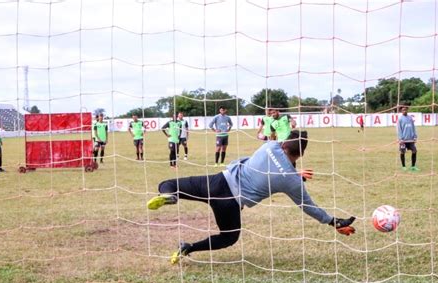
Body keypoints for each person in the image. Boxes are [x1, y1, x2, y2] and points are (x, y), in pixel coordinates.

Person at [147, 130, 356, 265]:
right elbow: (308, 206)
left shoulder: (269, 146)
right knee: (228, 238)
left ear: (284, 144)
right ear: (299, 156)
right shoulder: (292, 181)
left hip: (217, 182)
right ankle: (188, 248)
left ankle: (169, 196)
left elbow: (264, 160)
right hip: (232, 204)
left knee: (168, 184)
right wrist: (333, 222)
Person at [397, 105, 419, 171]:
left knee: (414, 151)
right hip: (403, 140)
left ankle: (413, 166)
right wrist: (401, 139)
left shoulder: (410, 118)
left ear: (407, 110)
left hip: (411, 139)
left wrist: (415, 136)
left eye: (405, 109)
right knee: (402, 152)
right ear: (401, 111)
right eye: (403, 110)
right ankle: (403, 166)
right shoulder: (400, 119)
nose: (404, 111)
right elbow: (399, 129)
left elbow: (413, 127)